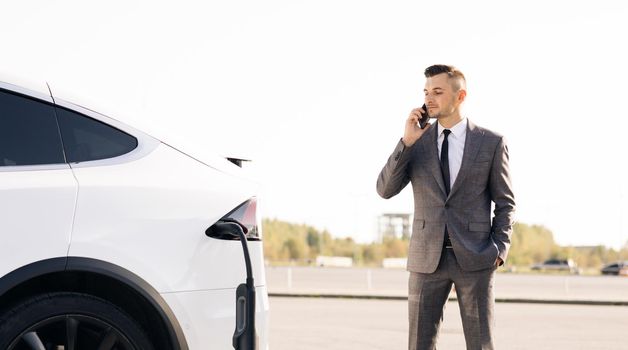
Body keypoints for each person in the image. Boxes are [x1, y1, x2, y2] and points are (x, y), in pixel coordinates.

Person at [376, 64, 515, 350]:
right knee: (419, 345)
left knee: (481, 344)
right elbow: (385, 190)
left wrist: (498, 251)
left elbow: (505, 203)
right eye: (426, 92)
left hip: (476, 258)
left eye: (437, 92)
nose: (429, 99)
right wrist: (405, 142)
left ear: (460, 96)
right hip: (426, 259)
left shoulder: (491, 142)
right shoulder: (417, 141)